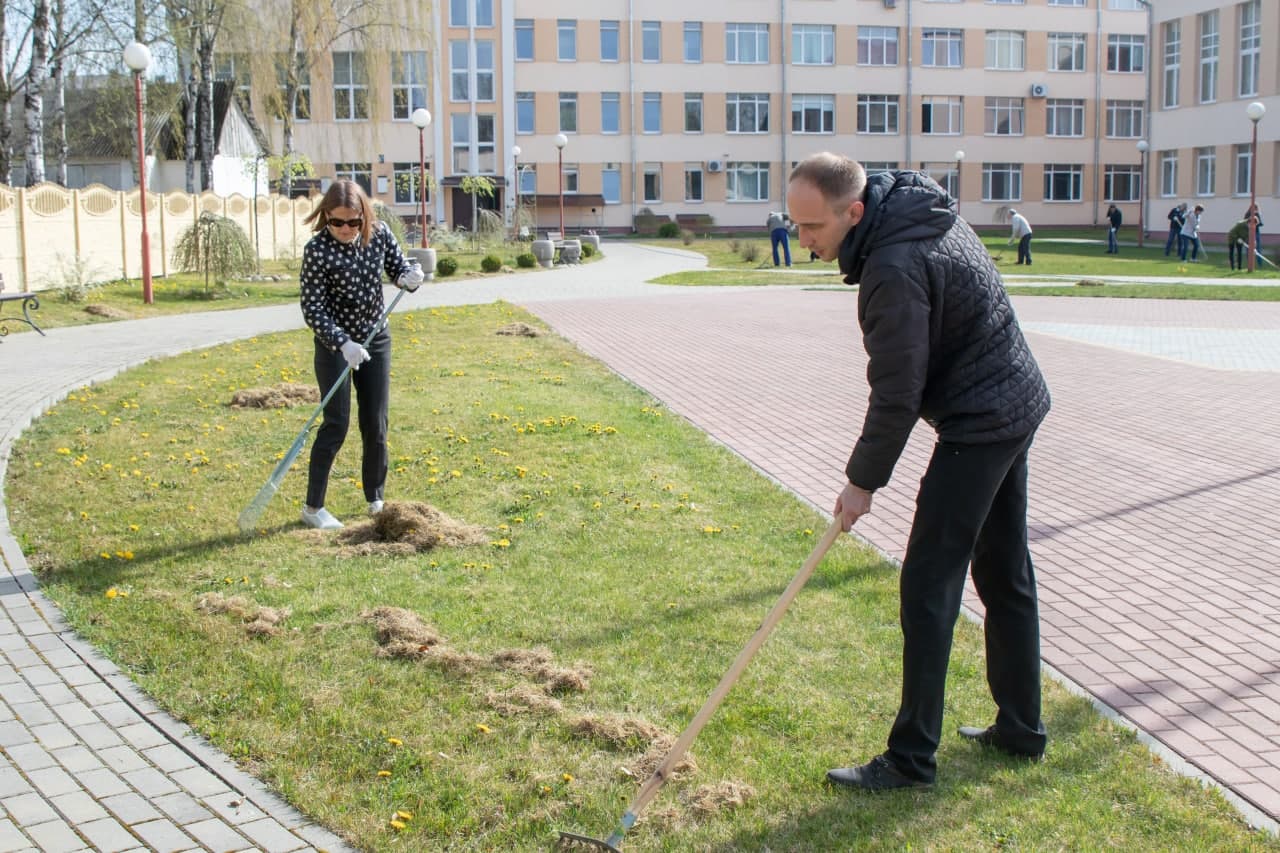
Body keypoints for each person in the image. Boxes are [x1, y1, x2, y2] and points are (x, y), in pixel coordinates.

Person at [787, 153, 1050, 791]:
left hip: (983, 420)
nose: (803, 240)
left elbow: (897, 392)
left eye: (814, 228)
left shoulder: (894, 267)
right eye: (796, 224)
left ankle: (910, 760)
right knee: (1002, 568)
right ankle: (1020, 729)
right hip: (1012, 401)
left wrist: (861, 483)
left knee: (930, 585)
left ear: (855, 211)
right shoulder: (910, 209)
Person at [297, 179, 425, 530]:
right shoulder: (317, 251)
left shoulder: (379, 235)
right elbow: (313, 308)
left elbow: (399, 270)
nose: (345, 229)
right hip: (334, 347)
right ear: (326, 217)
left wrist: (410, 277)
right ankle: (313, 508)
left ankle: (375, 497)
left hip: (374, 339)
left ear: (363, 216)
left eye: (353, 222)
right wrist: (342, 342)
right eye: (337, 222)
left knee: (375, 422)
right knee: (336, 423)